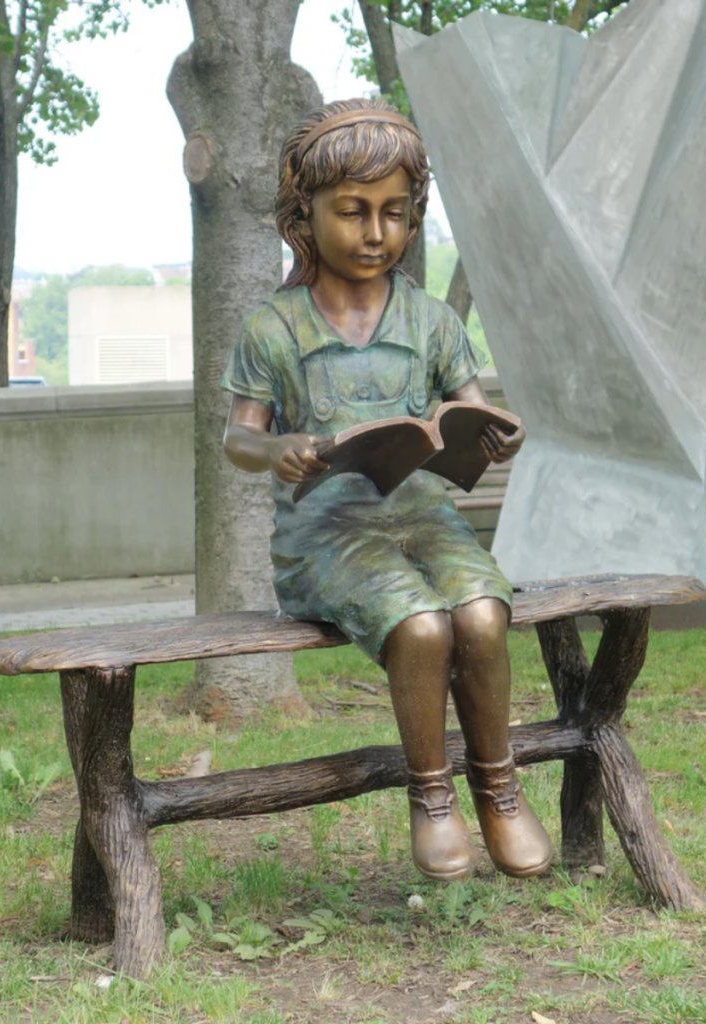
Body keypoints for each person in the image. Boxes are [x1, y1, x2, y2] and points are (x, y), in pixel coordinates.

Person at [220, 97, 552, 882]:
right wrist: (280, 449)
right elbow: (237, 438)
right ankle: (431, 795)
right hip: (325, 538)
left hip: (423, 516)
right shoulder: (276, 327)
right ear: (305, 217)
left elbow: (467, 407)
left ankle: (499, 787)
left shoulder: (432, 321)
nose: (376, 233)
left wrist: (493, 431)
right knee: (424, 626)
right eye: (353, 213)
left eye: (395, 214)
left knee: (479, 609)